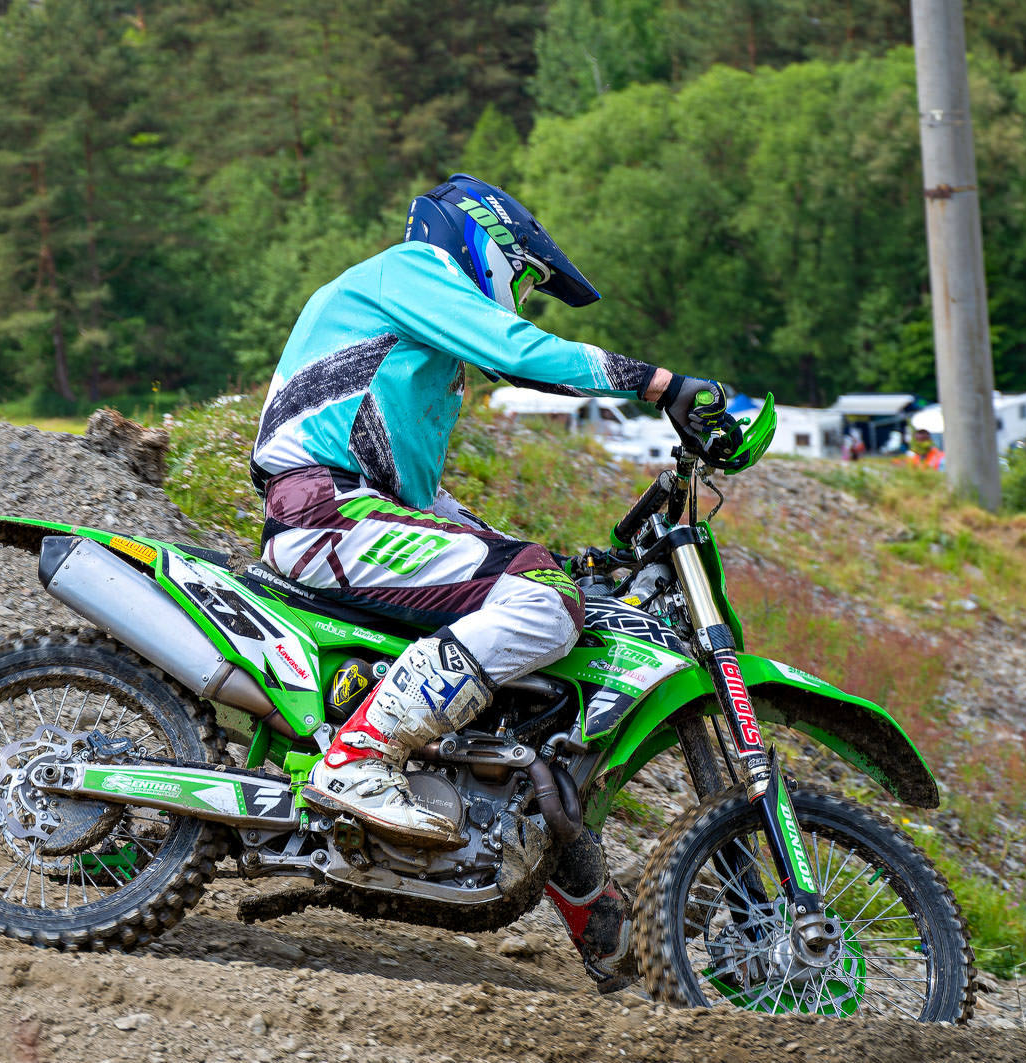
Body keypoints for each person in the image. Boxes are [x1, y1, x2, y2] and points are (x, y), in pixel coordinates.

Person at [251, 174, 729, 991]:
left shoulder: (416, 342)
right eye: (529, 280)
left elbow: (422, 502)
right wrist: (662, 385)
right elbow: (521, 352)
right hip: (325, 511)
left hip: (350, 512)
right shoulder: (407, 272)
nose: (526, 297)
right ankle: (359, 756)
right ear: (488, 241)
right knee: (540, 601)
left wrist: (546, 560)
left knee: (535, 658)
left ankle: (601, 923)